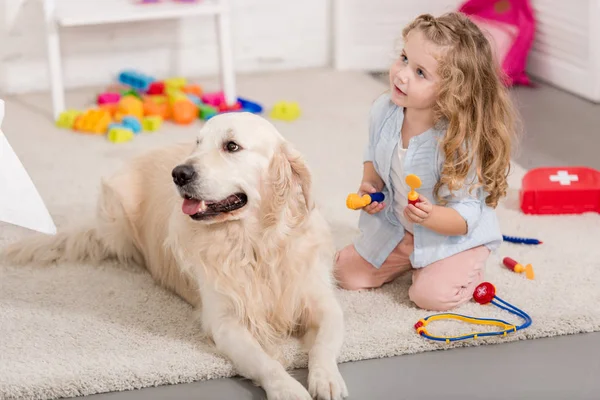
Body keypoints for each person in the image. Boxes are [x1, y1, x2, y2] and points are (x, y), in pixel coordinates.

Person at [334, 12, 519, 311]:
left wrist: (430, 217)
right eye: (405, 58)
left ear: (454, 91)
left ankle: (466, 263)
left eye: (421, 72)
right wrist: (371, 183)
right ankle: (411, 254)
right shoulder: (384, 109)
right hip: (400, 227)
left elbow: (466, 215)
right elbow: (373, 152)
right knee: (344, 273)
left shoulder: (459, 140)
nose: (402, 74)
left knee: (430, 296)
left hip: (451, 237)